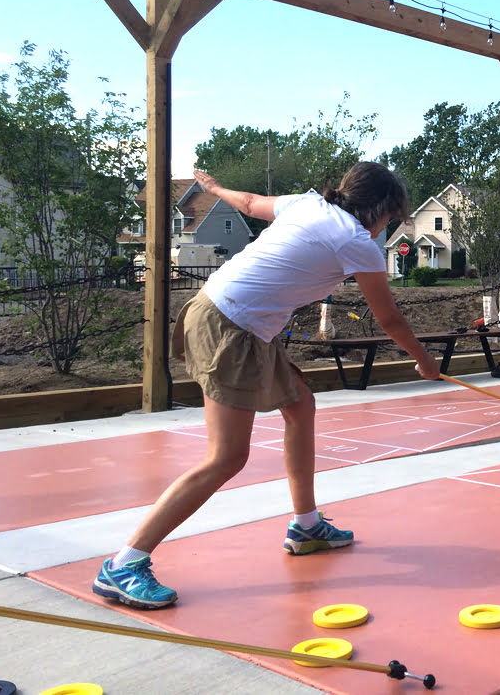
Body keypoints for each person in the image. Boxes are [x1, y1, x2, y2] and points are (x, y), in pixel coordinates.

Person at [93, 162, 441, 609]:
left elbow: (252, 204)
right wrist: (425, 360)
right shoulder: (356, 241)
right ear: (377, 209)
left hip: (238, 319)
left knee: (300, 406)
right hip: (231, 324)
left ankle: (307, 526)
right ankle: (124, 563)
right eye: (389, 217)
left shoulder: (308, 203)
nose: (386, 227)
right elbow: (389, 319)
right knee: (226, 458)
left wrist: (216, 187)